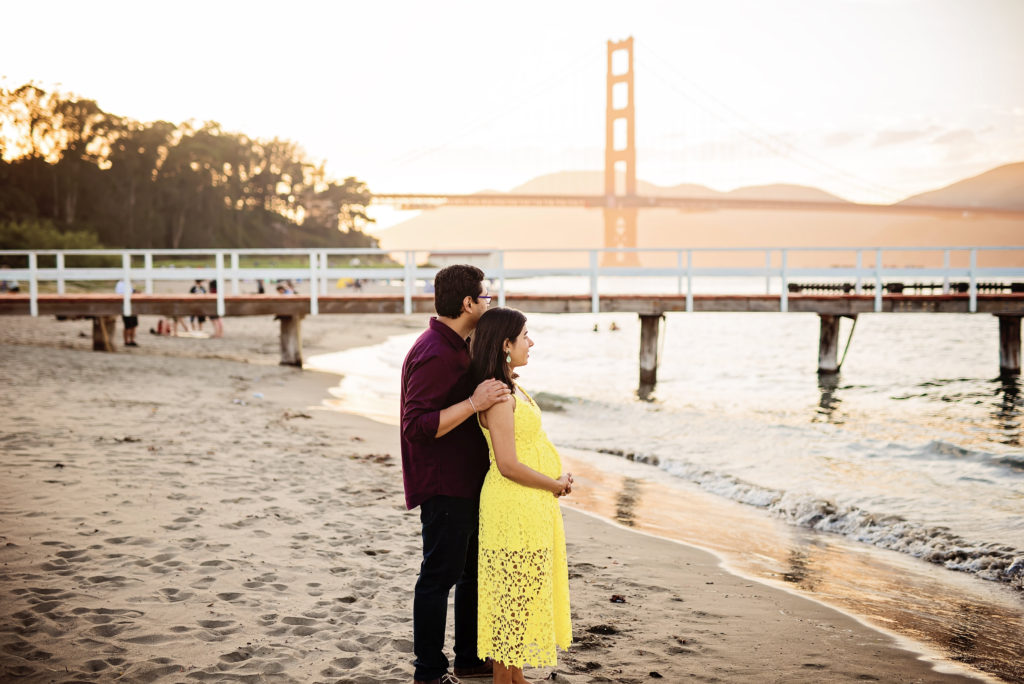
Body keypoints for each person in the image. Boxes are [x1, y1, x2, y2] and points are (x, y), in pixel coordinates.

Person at [400, 265, 511, 684]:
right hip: (444, 484)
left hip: (467, 480)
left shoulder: (458, 346)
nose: (489, 303)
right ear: (468, 303)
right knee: (437, 578)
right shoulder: (435, 351)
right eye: (485, 297)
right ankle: (429, 671)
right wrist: (473, 401)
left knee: (471, 573)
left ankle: (469, 657)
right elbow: (415, 426)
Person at [470, 307, 573, 684]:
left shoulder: (513, 385)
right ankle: (504, 679)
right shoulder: (499, 395)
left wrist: (556, 477)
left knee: (523, 595)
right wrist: (554, 485)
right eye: (525, 335)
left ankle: (516, 677)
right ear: (505, 344)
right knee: (511, 599)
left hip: (531, 503)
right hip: (512, 504)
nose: (531, 342)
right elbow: (507, 464)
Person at [115, 279, 139, 347]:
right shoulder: (120, 284)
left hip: (132, 305)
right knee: (128, 325)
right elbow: (121, 294)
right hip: (125, 306)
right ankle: (126, 341)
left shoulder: (127, 283)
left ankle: (132, 340)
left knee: (133, 324)